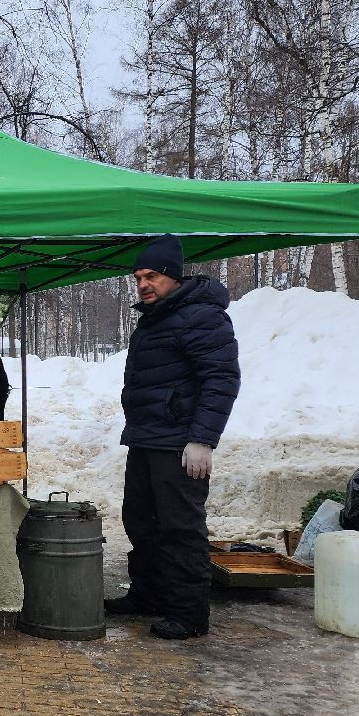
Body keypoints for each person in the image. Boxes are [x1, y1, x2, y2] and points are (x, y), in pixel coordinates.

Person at [106, 234, 240, 640]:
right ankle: (149, 594)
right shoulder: (156, 317)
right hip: (147, 438)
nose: (143, 284)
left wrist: (203, 439)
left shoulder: (202, 316)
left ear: (173, 275)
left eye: (151, 276)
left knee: (180, 528)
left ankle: (188, 613)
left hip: (180, 443)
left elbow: (221, 378)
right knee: (140, 521)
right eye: (138, 278)